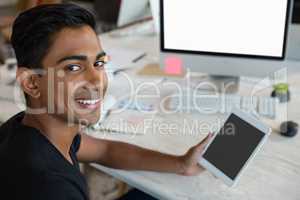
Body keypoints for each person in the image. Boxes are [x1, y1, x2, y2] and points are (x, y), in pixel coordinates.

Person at [0, 3, 212, 200]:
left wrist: (180, 163)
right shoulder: (48, 185)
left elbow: (104, 151)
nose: (97, 80)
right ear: (31, 83)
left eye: (99, 63)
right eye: (73, 67)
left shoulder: (34, 129)